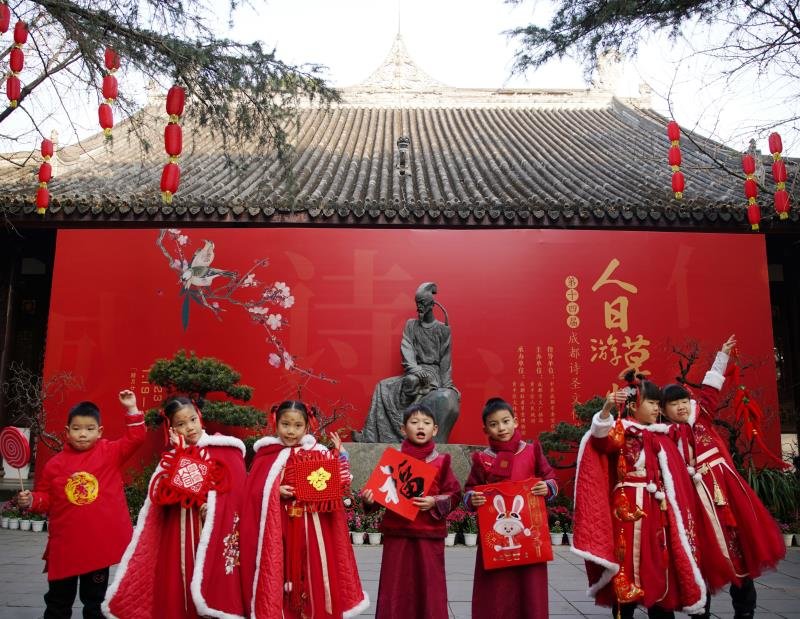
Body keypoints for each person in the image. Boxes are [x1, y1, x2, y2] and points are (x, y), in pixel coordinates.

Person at [661, 335, 785, 619]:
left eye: (683, 401)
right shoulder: (665, 436)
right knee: (702, 561)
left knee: (742, 556)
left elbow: (710, 389)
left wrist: (722, 356)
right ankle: (700, 613)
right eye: (673, 404)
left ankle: (745, 612)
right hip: (695, 507)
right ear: (664, 410)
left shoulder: (702, 419)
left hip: (726, 499)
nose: (681, 407)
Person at [572, 373, 707, 619]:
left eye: (658, 403)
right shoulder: (621, 431)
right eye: (652, 403)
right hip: (627, 510)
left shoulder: (662, 436)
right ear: (634, 406)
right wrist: (606, 409)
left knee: (659, 563)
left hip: (658, 510)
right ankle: (625, 610)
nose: (657, 408)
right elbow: (601, 441)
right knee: (627, 564)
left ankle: (660, 608)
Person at [103, 396, 247, 619]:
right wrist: (181, 454)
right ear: (171, 429)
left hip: (217, 533)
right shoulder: (170, 458)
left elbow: (237, 495)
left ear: (200, 417)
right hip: (179, 535)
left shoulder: (225, 449)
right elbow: (165, 496)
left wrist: (216, 508)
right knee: (181, 585)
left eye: (192, 420)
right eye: (181, 424)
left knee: (215, 589)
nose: (189, 427)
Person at [17, 390, 146, 619]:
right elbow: (46, 498)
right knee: (58, 602)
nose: (83, 434)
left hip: (97, 546)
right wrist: (32, 500)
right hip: (66, 546)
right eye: (76, 429)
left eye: (89, 429)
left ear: (100, 432)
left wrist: (131, 409)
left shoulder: (109, 453)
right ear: (67, 432)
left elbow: (135, 438)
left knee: (95, 602)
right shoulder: (55, 465)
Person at [239, 400, 369, 618]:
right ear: (276, 424)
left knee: (314, 570)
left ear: (307, 426)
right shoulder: (266, 455)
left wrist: (341, 457)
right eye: (285, 424)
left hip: (313, 529)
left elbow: (339, 484)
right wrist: (275, 490)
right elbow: (251, 491)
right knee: (281, 571)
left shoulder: (318, 452)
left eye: (297, 425)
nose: (291, 431)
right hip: (281, 527)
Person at [362, 403, 462, 619]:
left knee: (430, 588)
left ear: (435, 429)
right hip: (397, 535)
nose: (420, 426)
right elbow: (379, 495)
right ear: (403, 428)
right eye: (414, 422)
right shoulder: (393, 460)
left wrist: (434, 501)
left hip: (429, 536)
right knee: (395, 588)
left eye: (426, 423)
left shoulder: (441, 462)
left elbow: (454, 494)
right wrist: (369, 500)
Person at [463, 397, 558, 619]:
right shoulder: (482, 459)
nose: (501, 428)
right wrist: (473, 499)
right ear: (485, 429)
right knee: (496, 591)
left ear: (515, 421)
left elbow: (550, 478)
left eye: (505, 421)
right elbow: (470, 490)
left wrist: (547, 487)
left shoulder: (532, 451)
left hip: (529, 535)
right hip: (496, 540)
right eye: (494, 424)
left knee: (530, 589)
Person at [355, 282, 460, 443]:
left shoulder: (442, 329)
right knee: (382, 385)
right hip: (415, 369)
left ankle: (404, 425)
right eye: (417, 303)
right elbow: (407, 348)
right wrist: (415, 369)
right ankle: (369, 435)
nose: (419, 307)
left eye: (422, 303)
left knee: (411, 381)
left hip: (432, 374)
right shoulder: (411, 325)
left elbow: (446, 359)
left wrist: (447, 385)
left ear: (432, 304)